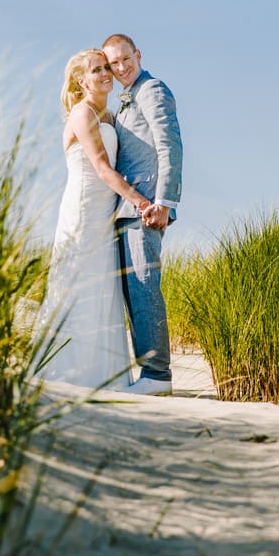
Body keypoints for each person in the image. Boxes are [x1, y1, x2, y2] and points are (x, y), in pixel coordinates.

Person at [38, 48, 154, 390]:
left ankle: (104, 374)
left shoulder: (110, 117)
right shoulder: (82, 113)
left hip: (106, 212)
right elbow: (103, 169)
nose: (106, 74)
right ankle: (65, 373)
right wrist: (140, 201)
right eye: (96, 70)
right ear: (80, 79)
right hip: (84, 207)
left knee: (103, 283)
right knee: (78, 280)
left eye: (107, 67)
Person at [103, 33, 183, 396]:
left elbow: (169, 146)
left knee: (144, 286)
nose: (121, 68)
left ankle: (157, 374)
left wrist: (165, 202)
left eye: (125, 59)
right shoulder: (124, 99)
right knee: (133, 290)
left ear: (138, 54)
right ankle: (146, 373)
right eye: (113, 63)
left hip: (148, 207)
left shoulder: (152, 90)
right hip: (125, 208)